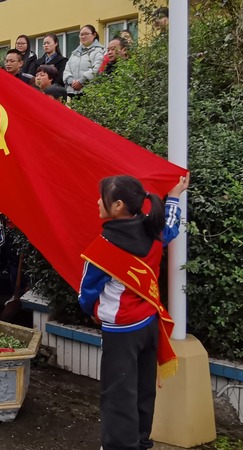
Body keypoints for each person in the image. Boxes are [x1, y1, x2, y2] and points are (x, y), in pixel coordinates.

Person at [78, 174, 189, 450]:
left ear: (117, 206)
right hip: (149, 324)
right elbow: (172, 226)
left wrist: (94, 310)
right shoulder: (153, 231)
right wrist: (174, 196)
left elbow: (86, 294)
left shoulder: (104, 247)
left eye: (102, 197)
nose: (97, 202)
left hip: (121, 330)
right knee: (142, 390)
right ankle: (140, 442)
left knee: (118, 394)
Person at [63, 25, 105, 96]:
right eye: (81, 34)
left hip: (90, 92)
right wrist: (71, 81)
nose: (83, 37)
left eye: (86, 34)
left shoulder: (100, 51)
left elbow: (96, 69)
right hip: (73, 92)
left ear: (94, 35)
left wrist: (81, 82)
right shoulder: (75, 53)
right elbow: (67, 69)